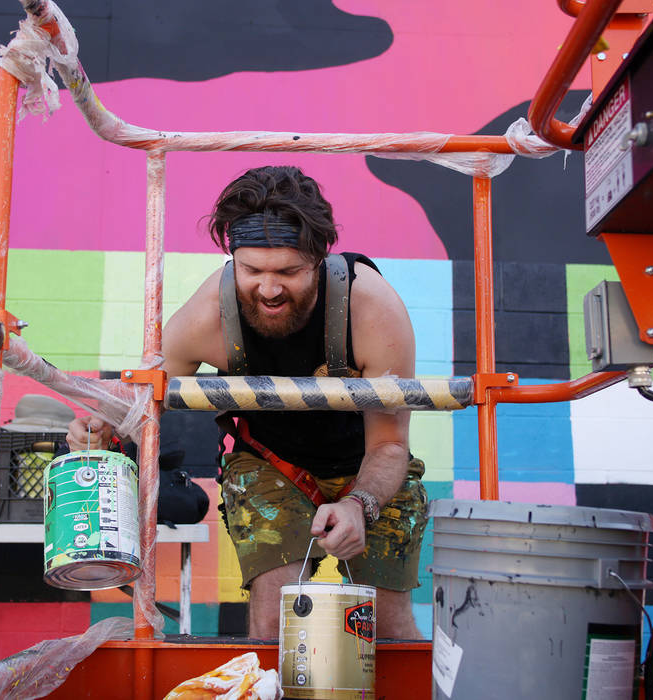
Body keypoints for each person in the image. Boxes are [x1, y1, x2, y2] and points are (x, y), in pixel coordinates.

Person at [67, 165, 426, 639]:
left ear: (318, 259)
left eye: (289, 272)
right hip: (269, 465)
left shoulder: (371, 310)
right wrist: (98, 425)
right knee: (272, 614)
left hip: (368, 466)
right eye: (252, 270)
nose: (270, 289)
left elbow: (389, 446)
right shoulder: (209, 315)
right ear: (232, 258)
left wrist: (361, 504)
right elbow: (142, 399)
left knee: (389, 626)